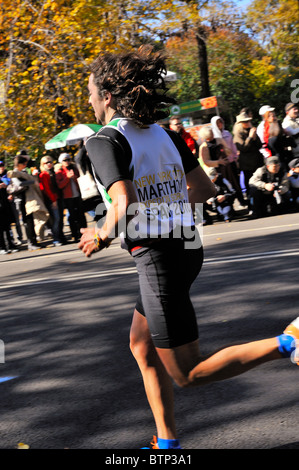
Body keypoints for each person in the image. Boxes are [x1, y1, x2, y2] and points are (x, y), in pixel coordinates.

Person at [78, 46, 299, 450]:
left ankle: (289, 342)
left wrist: (100, 233)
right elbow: (204, 189)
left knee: (188, 373)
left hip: (158, 257)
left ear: (108, 95)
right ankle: (166, 444)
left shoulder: (104, 140)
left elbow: (123, 204)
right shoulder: (164, 134)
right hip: (185, 245)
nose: (89, 100)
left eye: (91, 92)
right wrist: (162, 208)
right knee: (141, 345)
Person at [8, 155, 49, 250]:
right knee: (27, 222)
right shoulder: (14, 173)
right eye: (23, 164)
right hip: (20, 200)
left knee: (30, 221)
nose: (25, 165)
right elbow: (19, 184)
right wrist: (31, 182)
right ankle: (31, 243)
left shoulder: (22, 172)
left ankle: (34, 241)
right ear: (18, 164)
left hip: (26, 199)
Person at [210, 116, 246, 207]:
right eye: (217, 123)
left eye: (220, 122)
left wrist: (235, 157)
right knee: (226, 186)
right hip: (221, 166)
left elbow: (232, 146)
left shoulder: (227, 133)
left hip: (231, 162)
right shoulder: (213, 137)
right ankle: (228, 209)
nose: (219, 124)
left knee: (236, 184)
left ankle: (241, 201)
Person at [55, 153, 87, 242]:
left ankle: (84, 233)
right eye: (65, 160)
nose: (67, 162)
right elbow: (60, 185)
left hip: (78, 195)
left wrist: (74, 177)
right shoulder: (59, 172)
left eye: (68, 159)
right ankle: (75, 235)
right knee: (72, 216)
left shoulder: (74, 169)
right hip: (68, 197)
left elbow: (80, 180)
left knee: (81, 215)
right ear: (61, 162)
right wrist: (67, 178)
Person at [233, 112, 264, 202]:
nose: (247, 123)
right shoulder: (238, 135)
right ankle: (252, 204)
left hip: (257, 162)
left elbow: (259, 145)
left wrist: (254, 138)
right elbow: (243, 148)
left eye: (248, 121)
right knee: (250, 185)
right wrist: (250, 137)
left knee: (260, 182)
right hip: (247, 165)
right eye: (244, 122)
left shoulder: (252, 130)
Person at [39, 156, 64, 246]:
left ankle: (61, 237)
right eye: (46, 163)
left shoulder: (53, 172)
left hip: (59, 198)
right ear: (43, 165)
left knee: (60, 219)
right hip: (51, 200)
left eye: (50, 162)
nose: (49, 164)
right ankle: (56, 239)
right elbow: (47, 190)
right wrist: (53, 201)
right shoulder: (43, 175)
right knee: (56, 220)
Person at [0, 172, 19, 254]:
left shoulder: (2, 177)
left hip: (4, 204)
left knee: (7, 227)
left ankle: (10, 245)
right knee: (0, 228)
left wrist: (8, 192)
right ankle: (2, 247)